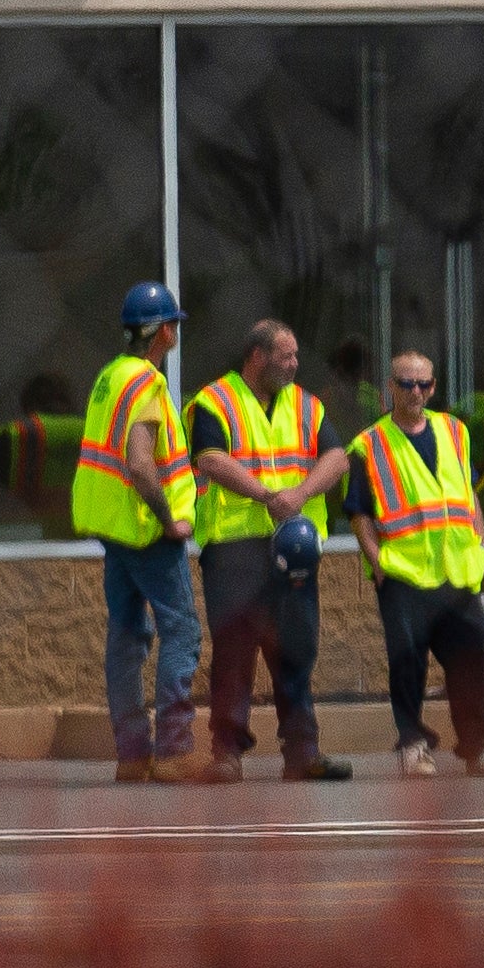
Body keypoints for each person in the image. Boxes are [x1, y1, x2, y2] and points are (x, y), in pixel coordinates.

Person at [188, 315, 353, 782]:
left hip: (294, 549)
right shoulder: (215, 401)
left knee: (297, 648)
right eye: (287, 355)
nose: (296, 364)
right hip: (235, 547)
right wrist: (267, 496)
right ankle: (227, 754)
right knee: (235, 650)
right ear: (257, 356)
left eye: (297, 355)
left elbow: (337, 458)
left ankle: (302, 754)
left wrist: (298, 497)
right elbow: (210, 459)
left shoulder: (307, 406)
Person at [351, 349, 484, 778]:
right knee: (407, 663)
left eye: (424, 384)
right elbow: (359, 513)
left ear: (434, 387)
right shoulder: (369, 444)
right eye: (406, 384)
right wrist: (377, 562)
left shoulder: (454, 431)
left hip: (457, 570)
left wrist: (483, 554)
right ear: (391, 387)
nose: (416, 393)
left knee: (470, 663)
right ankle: (413, 745)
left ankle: (480, 746)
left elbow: (469, 495)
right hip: (404, 573)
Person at [72, 278, 202, 783]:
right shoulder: (146, 383)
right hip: (148, 531)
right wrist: (171, 520)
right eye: (173, 325)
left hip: (115, 531)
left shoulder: (111, 376)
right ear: (163, 332)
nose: (175, 334)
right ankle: (173, 751)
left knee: (126, 639)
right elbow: (141, 464)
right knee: (181, 632)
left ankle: (132, 754)